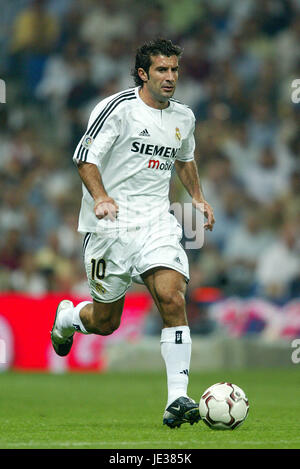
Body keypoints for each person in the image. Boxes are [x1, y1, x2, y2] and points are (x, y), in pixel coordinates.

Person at [51, 38, 215, 428]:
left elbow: (185, 158)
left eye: (174, 69)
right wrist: (102, 197)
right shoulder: (117, 109)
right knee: (106, 322)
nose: (170, 77)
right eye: (162, 70)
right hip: (110, 226)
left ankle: (177, 398)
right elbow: (84, 158)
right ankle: (69, 318)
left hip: (157, 221)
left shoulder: (183, 117)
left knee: (172, 296)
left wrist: (198, 197)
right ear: (143, 73)